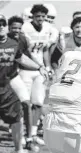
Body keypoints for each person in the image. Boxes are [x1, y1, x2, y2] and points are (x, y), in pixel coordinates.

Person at [0, 14, 48, 153]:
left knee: (26, 104)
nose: (1, 26)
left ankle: (27, 139)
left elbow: (22, 58)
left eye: (3, 23)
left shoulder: (14, 43)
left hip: (11, 79)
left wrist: (40, 67)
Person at [18, 4, 52, 146]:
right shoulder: (25, 28)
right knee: (25, 103)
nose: (40, 19)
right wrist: (36, 66)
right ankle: (22, 133)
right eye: (37, 16)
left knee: (38, 103)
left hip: (40, 71)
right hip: (25, 69)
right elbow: (22, 52)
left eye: (43, 16)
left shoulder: (48, 28)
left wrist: (47, 66)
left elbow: (44, 50)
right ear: (32, 16)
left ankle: (32, 133)